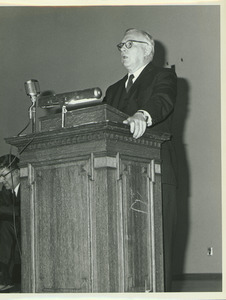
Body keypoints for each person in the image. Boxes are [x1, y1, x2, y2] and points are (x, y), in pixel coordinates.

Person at [103, 28, 177, 292]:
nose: (122, 48)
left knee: (157, 253)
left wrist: (141, 116)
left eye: (129, 44)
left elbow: (162, 101)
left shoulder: (164, 76)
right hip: (119, 178)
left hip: (155, 175)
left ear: (147, 49)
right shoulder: (112, 91)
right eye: (120, 44)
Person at [0, 154, 21, 292]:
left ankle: (4, 273)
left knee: (4, 226)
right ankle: (2, 273)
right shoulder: (6, 191)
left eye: (4, 175)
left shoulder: (29, 185)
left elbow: (20, 212)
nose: (1, 180)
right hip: (15, 238)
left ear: (17, 172)